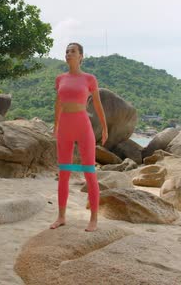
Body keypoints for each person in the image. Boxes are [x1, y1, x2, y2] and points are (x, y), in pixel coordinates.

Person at [51, 42, 108, 232]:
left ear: (81, 56)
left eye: (73, 51)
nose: (69, 54)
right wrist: (56, 125)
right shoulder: (60, 79)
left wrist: (105, 128)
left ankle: (93, 219)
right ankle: (61, 216)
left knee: (89, 172)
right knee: (64, 173)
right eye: (67, 51)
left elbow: (98, 105)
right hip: (65, 128)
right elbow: (58, 103)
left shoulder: (89, 79)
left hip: (83, 126)